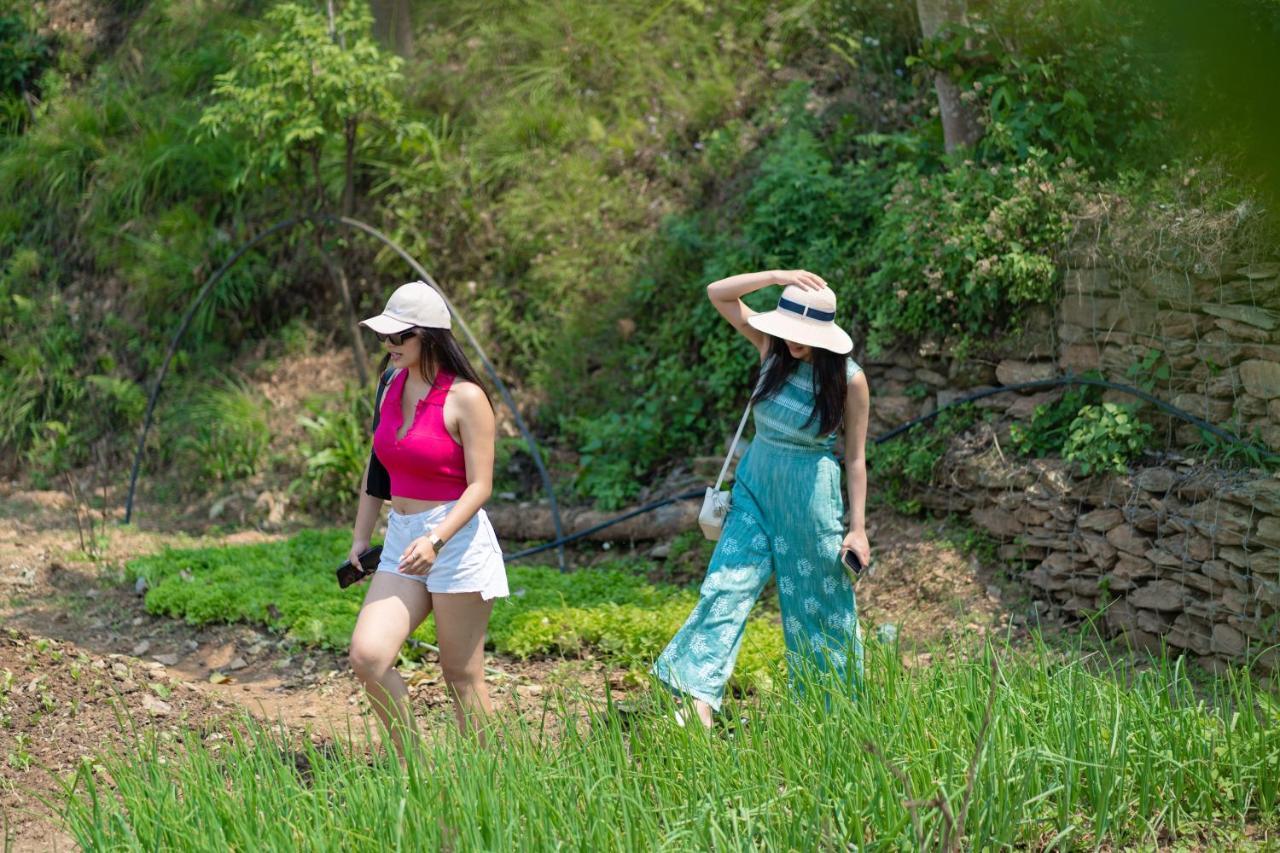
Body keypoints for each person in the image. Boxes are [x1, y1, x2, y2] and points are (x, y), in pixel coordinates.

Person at [653, 269, 872, 728]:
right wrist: (777, 275)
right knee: (724, 589)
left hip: (810, 502)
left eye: (804, 335)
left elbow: (854, 458)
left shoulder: (849, 381)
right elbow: (718, 294)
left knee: (818, 605)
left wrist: (857, 528)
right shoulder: (772, 349)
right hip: (754, 487)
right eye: (790, 331)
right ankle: (697, 705)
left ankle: (828, 715)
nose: (794, 342)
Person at [346, 280, 508, 753]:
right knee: (368, 656)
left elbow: (481, 486)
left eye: (399, 337)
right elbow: (377, 465)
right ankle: (414, 767)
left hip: (454, 541)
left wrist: (436, 538)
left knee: (461, 674)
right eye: (384, 336)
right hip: (402, 537)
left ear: (430, 336)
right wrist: (361, 537)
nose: (388, 345)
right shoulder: (389, 384)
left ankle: (495, 779)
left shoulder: (466, 398)